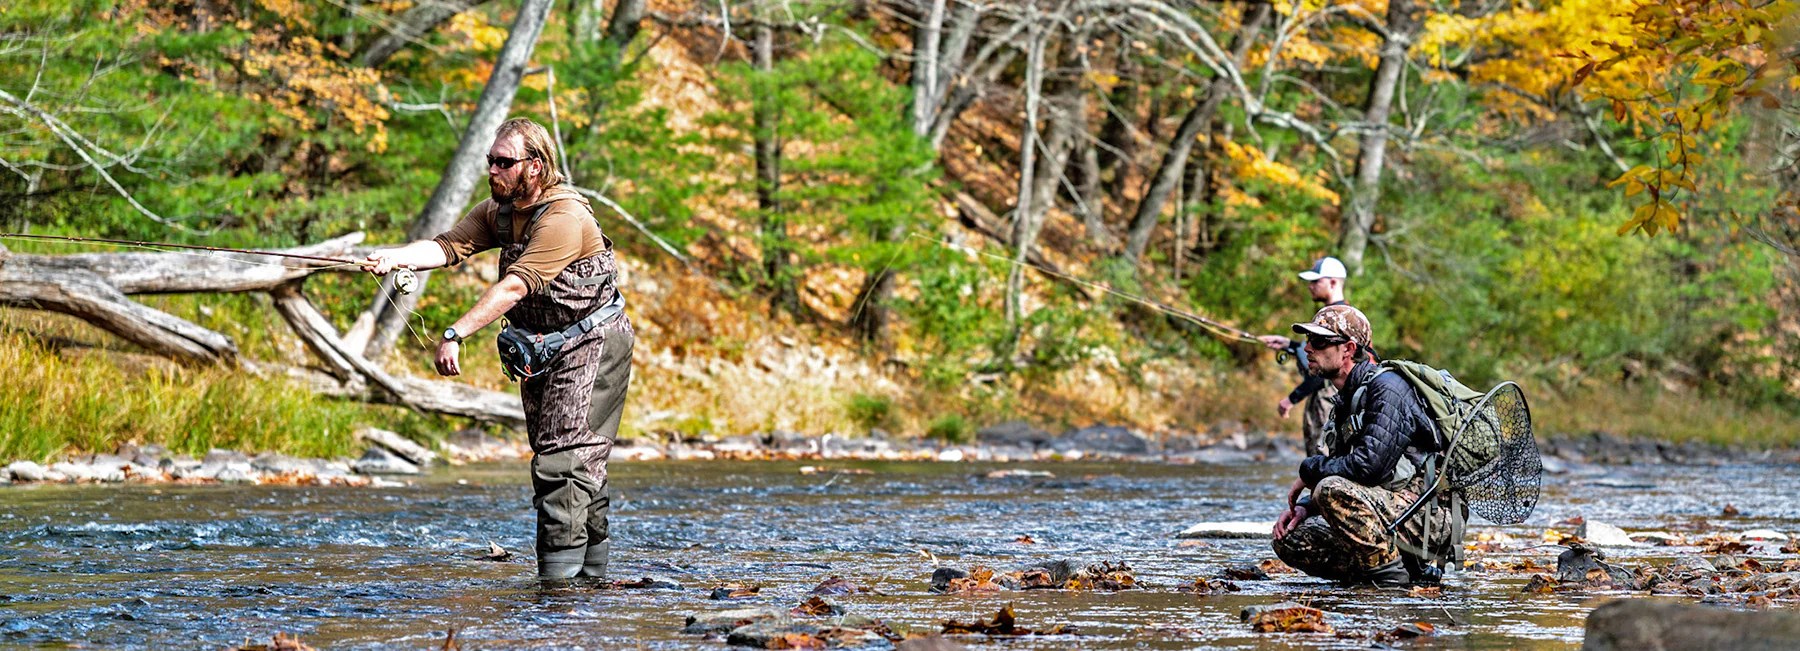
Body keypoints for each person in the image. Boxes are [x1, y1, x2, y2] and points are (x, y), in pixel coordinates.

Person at [365, 117, 634, 580]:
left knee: (565, 461)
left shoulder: (565, 218)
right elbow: (448, 246)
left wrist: (455, 333)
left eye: (504, 162)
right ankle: (590, 584)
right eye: (490, 161)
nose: (492, 170)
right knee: (570, 459)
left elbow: (514, 288)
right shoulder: (499, 210)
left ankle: (558, 595)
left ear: (535, 166)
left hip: (595, 342)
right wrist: (395, 257)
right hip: (542, 349)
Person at [1269, 305, 1452, 587]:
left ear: (1348, 349)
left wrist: (1309, 471)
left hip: (1427, 519)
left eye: (1318, 342)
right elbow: (1346, 469)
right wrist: (1305, 507)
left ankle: (1391, 580)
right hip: (1390, 511)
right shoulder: (1346, 398)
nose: (1307, 349)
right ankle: (1390, 572)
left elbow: (1367, 467)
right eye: (1307, 341)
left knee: (1329, 488)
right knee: (1290, 539)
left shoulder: (1388, 388)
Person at [1256, 256, 1350, 456]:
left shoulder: (1339, 318)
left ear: (1333, 282)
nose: (1310, 286)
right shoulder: (1334, 315)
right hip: (1324, 400)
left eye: (1316, 281)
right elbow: (1323, 353)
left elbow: (1325, 368)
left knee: (1323, 459)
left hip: (1329, 401)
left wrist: (1291, 399)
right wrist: (1289, 344)